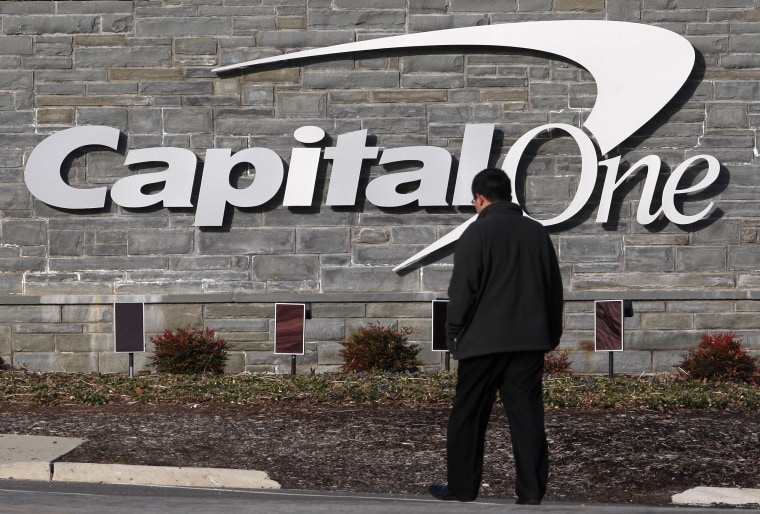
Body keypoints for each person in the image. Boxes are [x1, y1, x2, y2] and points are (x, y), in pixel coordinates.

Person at [428, 167, 564, 505]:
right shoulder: (537, 234)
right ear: (510, 195)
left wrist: (453, 333)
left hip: (482, 343)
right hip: (528, 342)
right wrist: (551, 334)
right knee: (528, 417)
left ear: (479, 198)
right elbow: (553, 289)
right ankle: (531, 491)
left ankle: (462, 487)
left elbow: (463, 291)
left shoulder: (477, 233)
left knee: (468, 417)